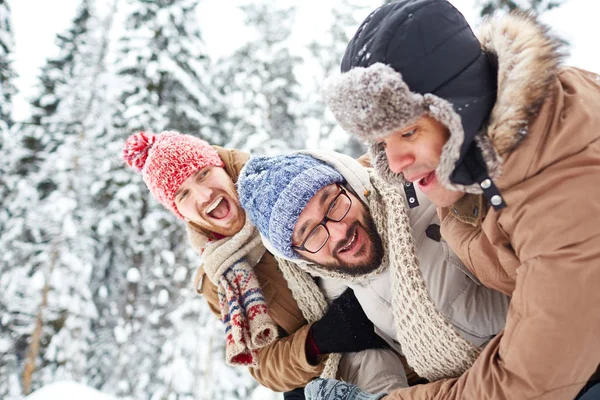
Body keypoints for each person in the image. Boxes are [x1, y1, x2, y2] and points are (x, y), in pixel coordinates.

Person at [318, 0, 600, 399]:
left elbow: (522, 386)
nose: (395, 164)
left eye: (408, 132)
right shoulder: (497, 144)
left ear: (459, 105)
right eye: (383, 143)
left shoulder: (560, 193)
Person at [122, 130, 410, 398]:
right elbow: (265, 364)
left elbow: (352, 179)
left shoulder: (277, 186)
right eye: (182, 195)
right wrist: (320, 340)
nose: (203, 194)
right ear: (178, 211)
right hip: (357, 365)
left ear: (221, 166)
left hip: (403, 306)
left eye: (203, 174)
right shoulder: (220, 278)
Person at [237, 150, 510, 385]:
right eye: (311, 234)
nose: (339, 232)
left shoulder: (429, 198)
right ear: (300, 257)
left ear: (351, 186)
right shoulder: (343, 285)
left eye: (333, 203)